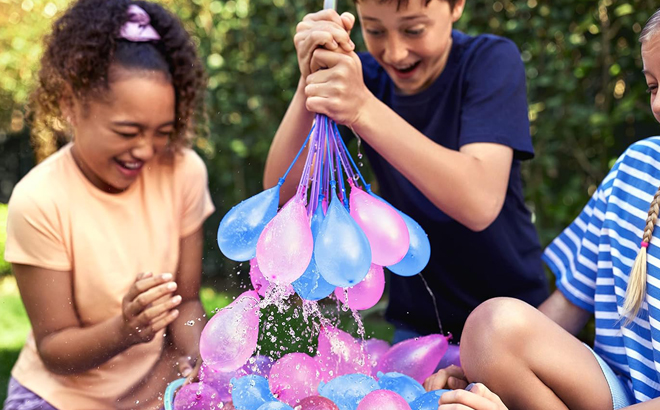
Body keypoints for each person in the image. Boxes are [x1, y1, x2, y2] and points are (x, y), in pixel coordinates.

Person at [263, 0, 548, 342]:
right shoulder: (362, 78)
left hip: (513, 325)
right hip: (416, 329)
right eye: (375, 30)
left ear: (457, 5)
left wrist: (363, 108)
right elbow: (284, 196)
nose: (396, 53)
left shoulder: (490, 61)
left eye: (414, 30)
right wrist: (309, 82)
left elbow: (479, 202)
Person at [424, 9, 660, 409]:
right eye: (654, 86)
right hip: (618, 395)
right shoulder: (636, 167)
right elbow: (569, 303)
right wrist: (482, 366)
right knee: (490, 328)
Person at [2, 1, 214, 409]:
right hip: (60, 397)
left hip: (155, 386)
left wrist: (199, 355)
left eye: (162, 132)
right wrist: (124, 329)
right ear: (69, 105)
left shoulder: (184, 172)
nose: (145, 149)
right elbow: (54, 346)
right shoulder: (40, 200)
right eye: (127, 130)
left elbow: (186, 302)